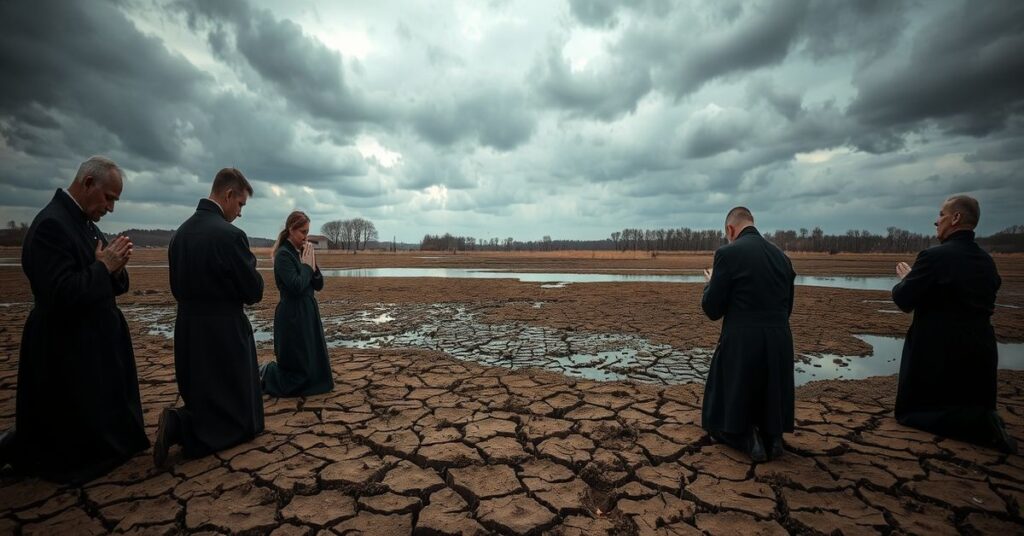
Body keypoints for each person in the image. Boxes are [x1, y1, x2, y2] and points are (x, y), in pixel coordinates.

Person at [3, 156, 148, 483]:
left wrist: (114, 267)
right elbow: (60, 293)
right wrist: (103, 267)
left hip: (93, 339)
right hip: (67, 344)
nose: (110, 207)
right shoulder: (52, 225)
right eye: (108, 197)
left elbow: (106, 276)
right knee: (71, 428)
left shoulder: (83, 222)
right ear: (87, 184)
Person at [154, 168, 264, 467]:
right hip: (225, 327)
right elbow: (253, 290)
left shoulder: (180, 234)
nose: (240, 213)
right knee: (238, 412)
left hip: (188, 326)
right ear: (228, 195)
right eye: (240, 204)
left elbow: (176, 285)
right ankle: (179, 425)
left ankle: (183, 422)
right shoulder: (230, 236)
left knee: (203, 393)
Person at [892, 195, 1015, 452]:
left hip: (939, 352)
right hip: (979, 352)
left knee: (910, 413)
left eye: (941, 215)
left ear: (956, 218)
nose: (936, 222)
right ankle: (981, 421)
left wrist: (908, 280)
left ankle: (978, 427)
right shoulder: (986, 260)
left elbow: (904, 300)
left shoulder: (934, 257)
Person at [700, 207, 796, 462]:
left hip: (743, 341)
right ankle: (773, 438)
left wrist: (710, 284)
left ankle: (744, 439)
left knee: (723, 401)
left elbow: (712, 309)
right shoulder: (782, 257)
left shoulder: (727, 254)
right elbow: (788, 307)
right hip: (780, 340)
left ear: (730, 229)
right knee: (768, 392)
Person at [261, 211, 334, 397]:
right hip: (292, 314)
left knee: (316, 371)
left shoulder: (302, 252)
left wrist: (313, 265)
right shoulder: (283, 255)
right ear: (291, 230)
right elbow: (296, 286)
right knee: (299, 370)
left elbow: (318, 285)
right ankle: (267, 373)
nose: (306, 237)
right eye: (302, 232)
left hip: (308, 312)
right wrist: (306, 266)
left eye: (308, 232)